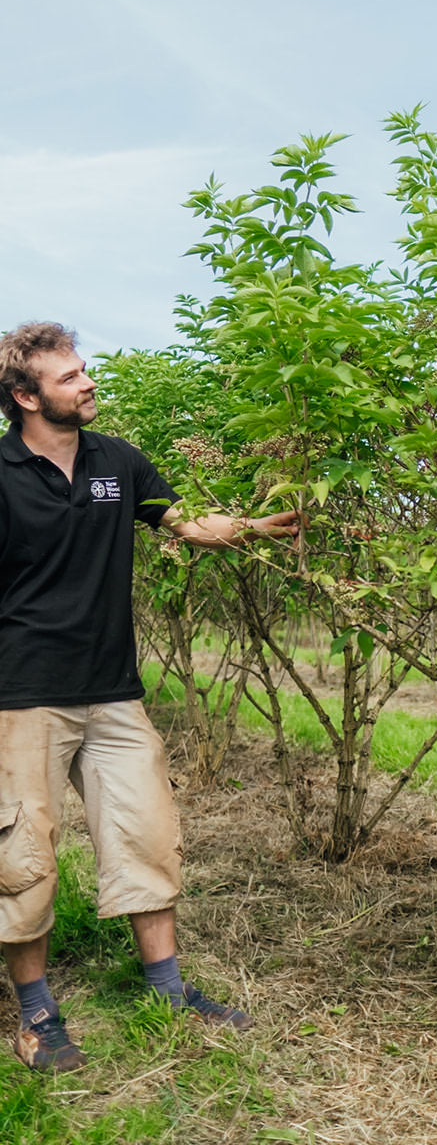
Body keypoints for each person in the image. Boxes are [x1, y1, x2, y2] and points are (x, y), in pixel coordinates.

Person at [0, 321, 299, 1072]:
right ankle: (37, 1013)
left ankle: (168, 990)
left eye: (84, 369)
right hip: (22, 694)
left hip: (114, 691)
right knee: (24, 855)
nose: (88, 382)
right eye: (70, 377)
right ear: (26, 397)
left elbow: (183, 523)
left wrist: (252, 528)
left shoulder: (117, 461)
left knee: (147, 833)